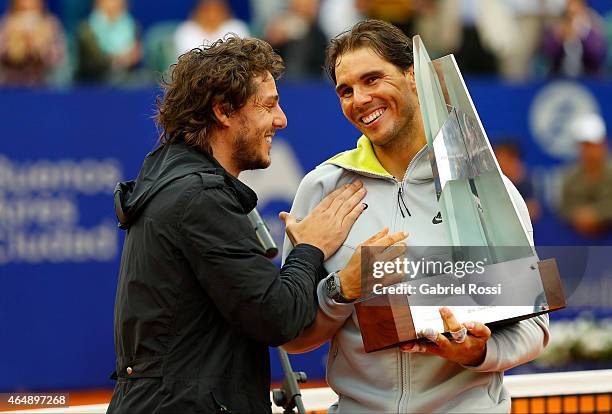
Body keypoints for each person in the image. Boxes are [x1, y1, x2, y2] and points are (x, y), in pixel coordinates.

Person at [107, 36, 404, 413]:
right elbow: (278, 318)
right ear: (224, 111)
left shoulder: (179, 184)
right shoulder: (198, 196)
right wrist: (311, 250)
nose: (281, 120)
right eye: (268, 106)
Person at [282, 20, 549, 413]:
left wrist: (479, 352)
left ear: (412, 75)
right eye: (346, 90)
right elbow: (292, 334)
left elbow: (533, 327)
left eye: (373, 79)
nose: (359, 99)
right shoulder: (322, 189)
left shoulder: (482, 184)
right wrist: (343, 289)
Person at [559, 112, 612, 237]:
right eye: (585, 146)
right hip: (579, 241)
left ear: (604, 145)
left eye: (593, 145)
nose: (590, 151)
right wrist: (578, 216)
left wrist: (596, 214)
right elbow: (564, 208)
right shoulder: (570, 177)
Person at [0, 0, 66, 86]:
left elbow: (59, 59)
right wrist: (15, 48)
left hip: (43, 85)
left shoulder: (50, 24)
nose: (28, 3)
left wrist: (41, 49)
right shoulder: (6, 23)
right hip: (11, 86)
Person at [75, 0, 141, 83]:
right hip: (94, 83)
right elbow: (92, 62)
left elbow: (135, 56)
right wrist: (118, 60)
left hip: (125, 81)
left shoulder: (133, 26)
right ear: (98, 2)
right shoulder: (85, 29)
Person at [174, 0, 249, 57]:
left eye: (216, 10)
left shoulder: (237, 26)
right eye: (207, 10)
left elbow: (241, 54)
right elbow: (188, 57)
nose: (212, 15)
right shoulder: (186, 30)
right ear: (198, 11)